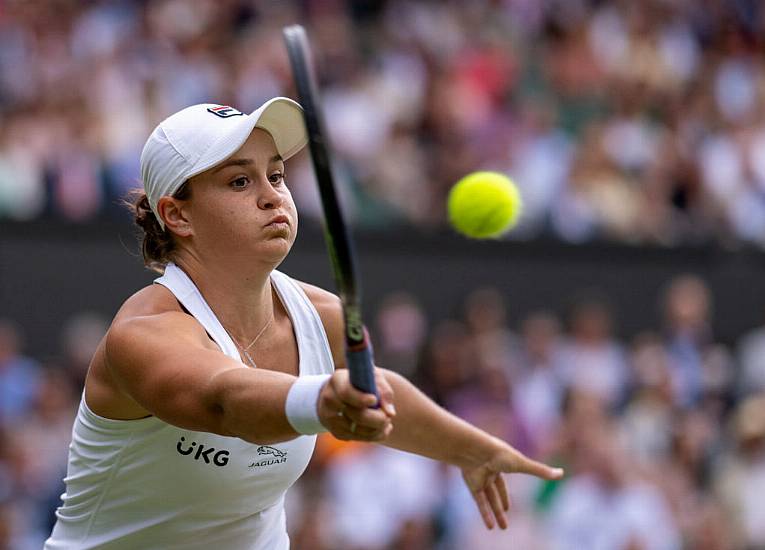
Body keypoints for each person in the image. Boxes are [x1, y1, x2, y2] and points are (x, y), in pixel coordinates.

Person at [44, 97, 563, 549]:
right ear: (177, 215)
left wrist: (468, 450)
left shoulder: (326, 318)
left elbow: (377, 398)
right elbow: (225, 400)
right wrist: (318, 402)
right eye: (240, 181)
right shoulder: (143, 334)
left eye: (276, 174)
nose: (272, 195)